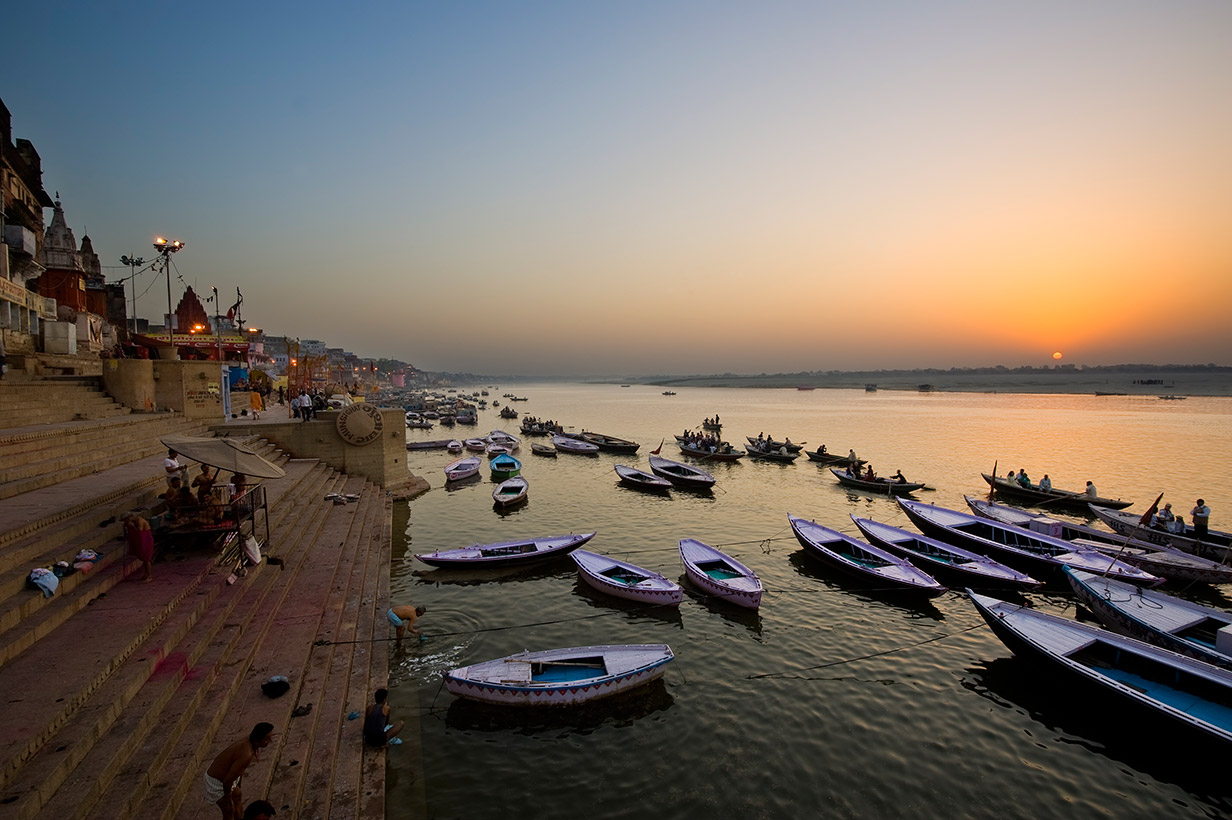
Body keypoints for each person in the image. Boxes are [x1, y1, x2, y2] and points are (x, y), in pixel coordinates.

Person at [205, 722, 274, 820]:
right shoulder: (246, 754)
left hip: (229, 778)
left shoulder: (250, 741)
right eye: (267, 739)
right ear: (258, 740)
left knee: (237, 796)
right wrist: (227, 796)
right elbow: (227, 780)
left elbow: (239, 771)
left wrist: (238, 785)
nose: (270, 741)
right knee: (228, 809)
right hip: (216, 781)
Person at [122, 512, 155, 582]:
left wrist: (133, 527)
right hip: (141, 542)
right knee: (144, 559)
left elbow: (139, 533)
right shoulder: (132, 522)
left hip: (146, 541)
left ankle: (149, 576)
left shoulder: (140, 521)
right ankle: (146, 574)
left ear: (129, 518)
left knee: (147, 559)